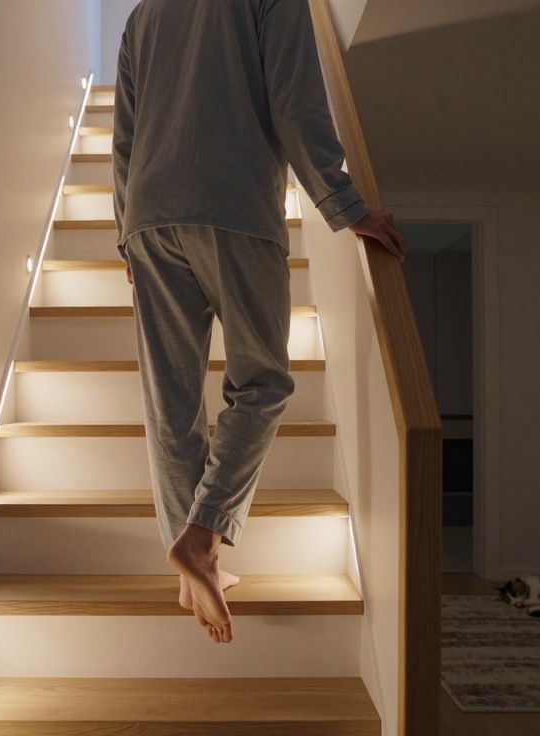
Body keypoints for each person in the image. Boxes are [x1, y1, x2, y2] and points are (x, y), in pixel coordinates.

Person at [111, 0, 405, 645]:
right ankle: (203, 534)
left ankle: (195, 557)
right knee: (263, 383)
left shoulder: (142, 15)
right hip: (235, 207)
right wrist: (345, 204)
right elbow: (296, 103)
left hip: (149, 216)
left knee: (171, 401)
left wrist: (124, 233)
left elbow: (125, 133)